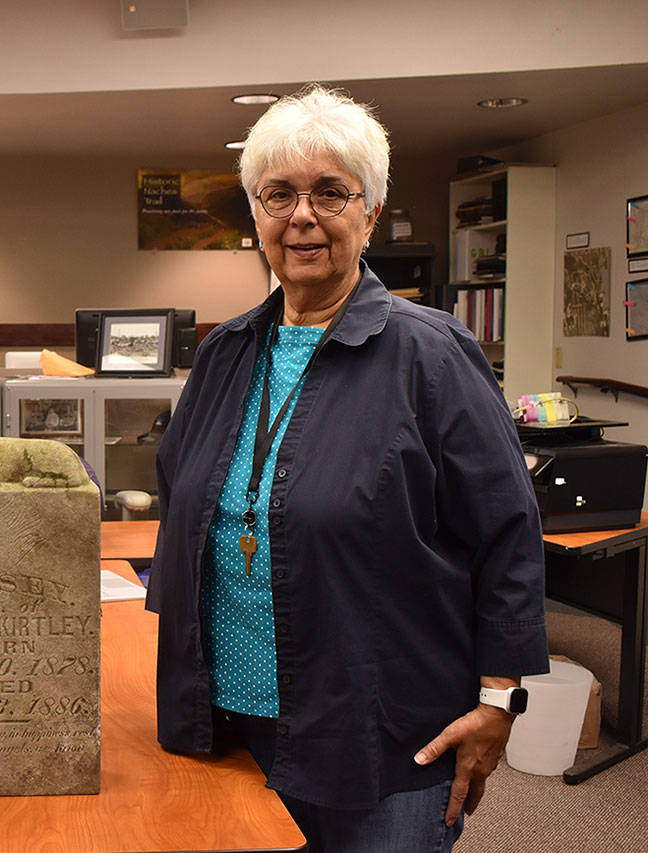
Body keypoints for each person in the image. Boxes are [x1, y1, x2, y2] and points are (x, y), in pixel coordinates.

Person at [147, 86, 548, 851]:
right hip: (225, 726)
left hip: (381, 737)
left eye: (331, 192)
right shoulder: (224, 353)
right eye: (279, 194)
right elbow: (180, 496)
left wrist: (501, 697)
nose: (303, 215)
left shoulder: (433, 354)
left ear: (369, 213)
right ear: (256, 215)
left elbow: (507, 530)